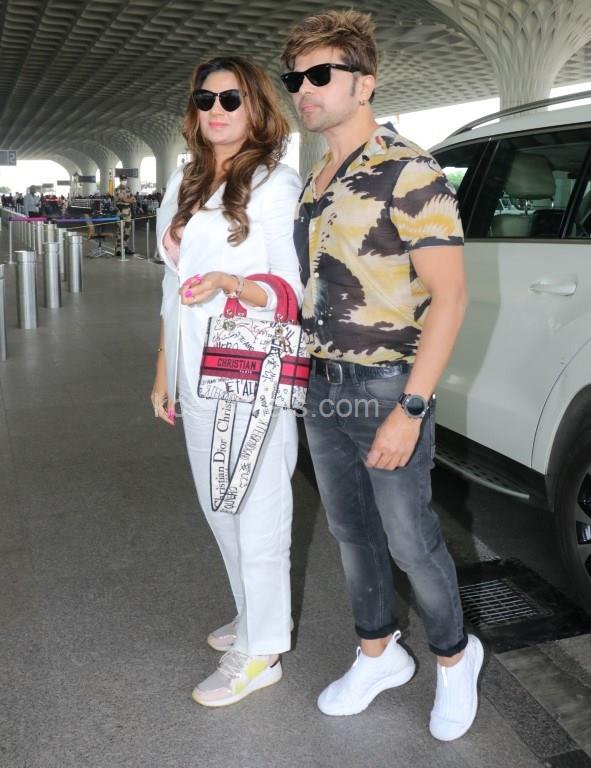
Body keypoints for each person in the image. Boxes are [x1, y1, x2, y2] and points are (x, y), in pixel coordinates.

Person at [280, 9, 483, 742]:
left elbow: (451, 298)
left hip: (385, 386)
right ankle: (377, 654)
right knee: (350, 531)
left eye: (320, 75)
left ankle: (455, 657)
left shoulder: (410, 168)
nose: (304, 90)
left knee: (409, 538)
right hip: (321, 384)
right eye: (294, 78)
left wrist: (411, 408)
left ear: (364, 82)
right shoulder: (315, 179)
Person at [151, 55, 302, 707]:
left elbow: (293, 287)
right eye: (205, 98)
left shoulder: (274, 182)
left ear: (255, 107)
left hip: (250, 366)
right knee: (218, 503)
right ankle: (251, 611)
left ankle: (262, 651)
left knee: (257, 504)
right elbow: (171, 285)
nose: (216, 109)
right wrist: (163, 369)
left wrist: (233, 283)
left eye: (231, 98)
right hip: (194, 364)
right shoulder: (185, 179)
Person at [114, 174, 136, 255]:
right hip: (121, 212)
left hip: (128, 212)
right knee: (120, 231)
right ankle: (118, 249)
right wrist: (129, 200)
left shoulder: (128, 189)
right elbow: (123, 199)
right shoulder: (117, 189)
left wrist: (130, 200)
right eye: (123, 179)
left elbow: (133, 199)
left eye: (125, 179)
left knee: (127, 231)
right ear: (120, 180)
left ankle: (125, 247)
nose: (124, 180)